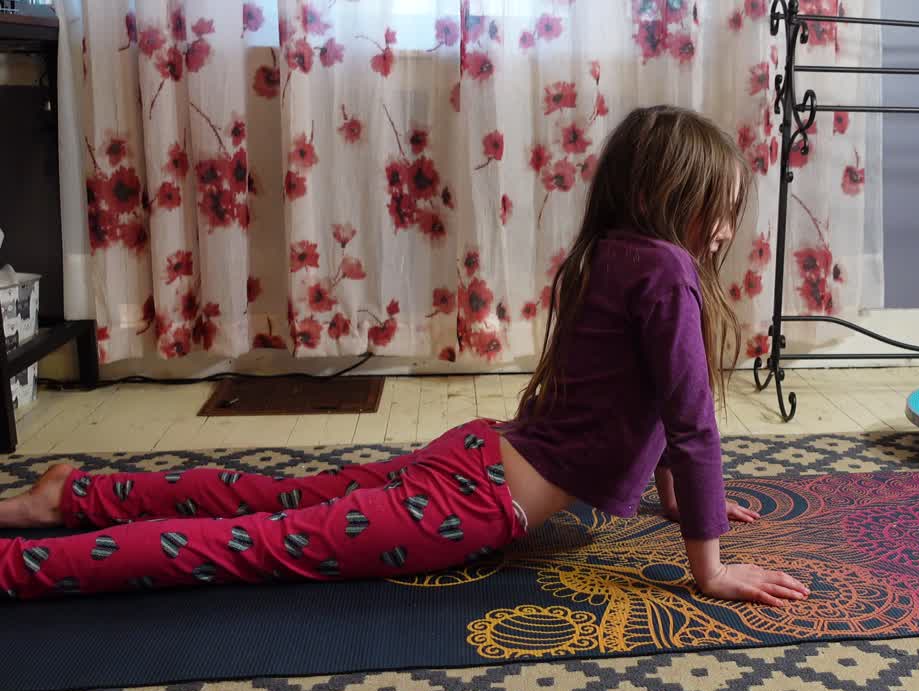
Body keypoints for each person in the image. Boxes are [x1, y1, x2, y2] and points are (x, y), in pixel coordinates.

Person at [0, 106, 811, 607]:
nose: (724, 231)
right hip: (473, 503)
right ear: (671, 197)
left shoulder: (618, 254)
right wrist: (709, 569)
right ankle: (21, 565)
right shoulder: (667, 271)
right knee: (255, 544)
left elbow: (656, 405)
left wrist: (678, 504)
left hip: (475, 455)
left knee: (271, 498)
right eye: (719, 210)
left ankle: (73, 494)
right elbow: (692, 423)